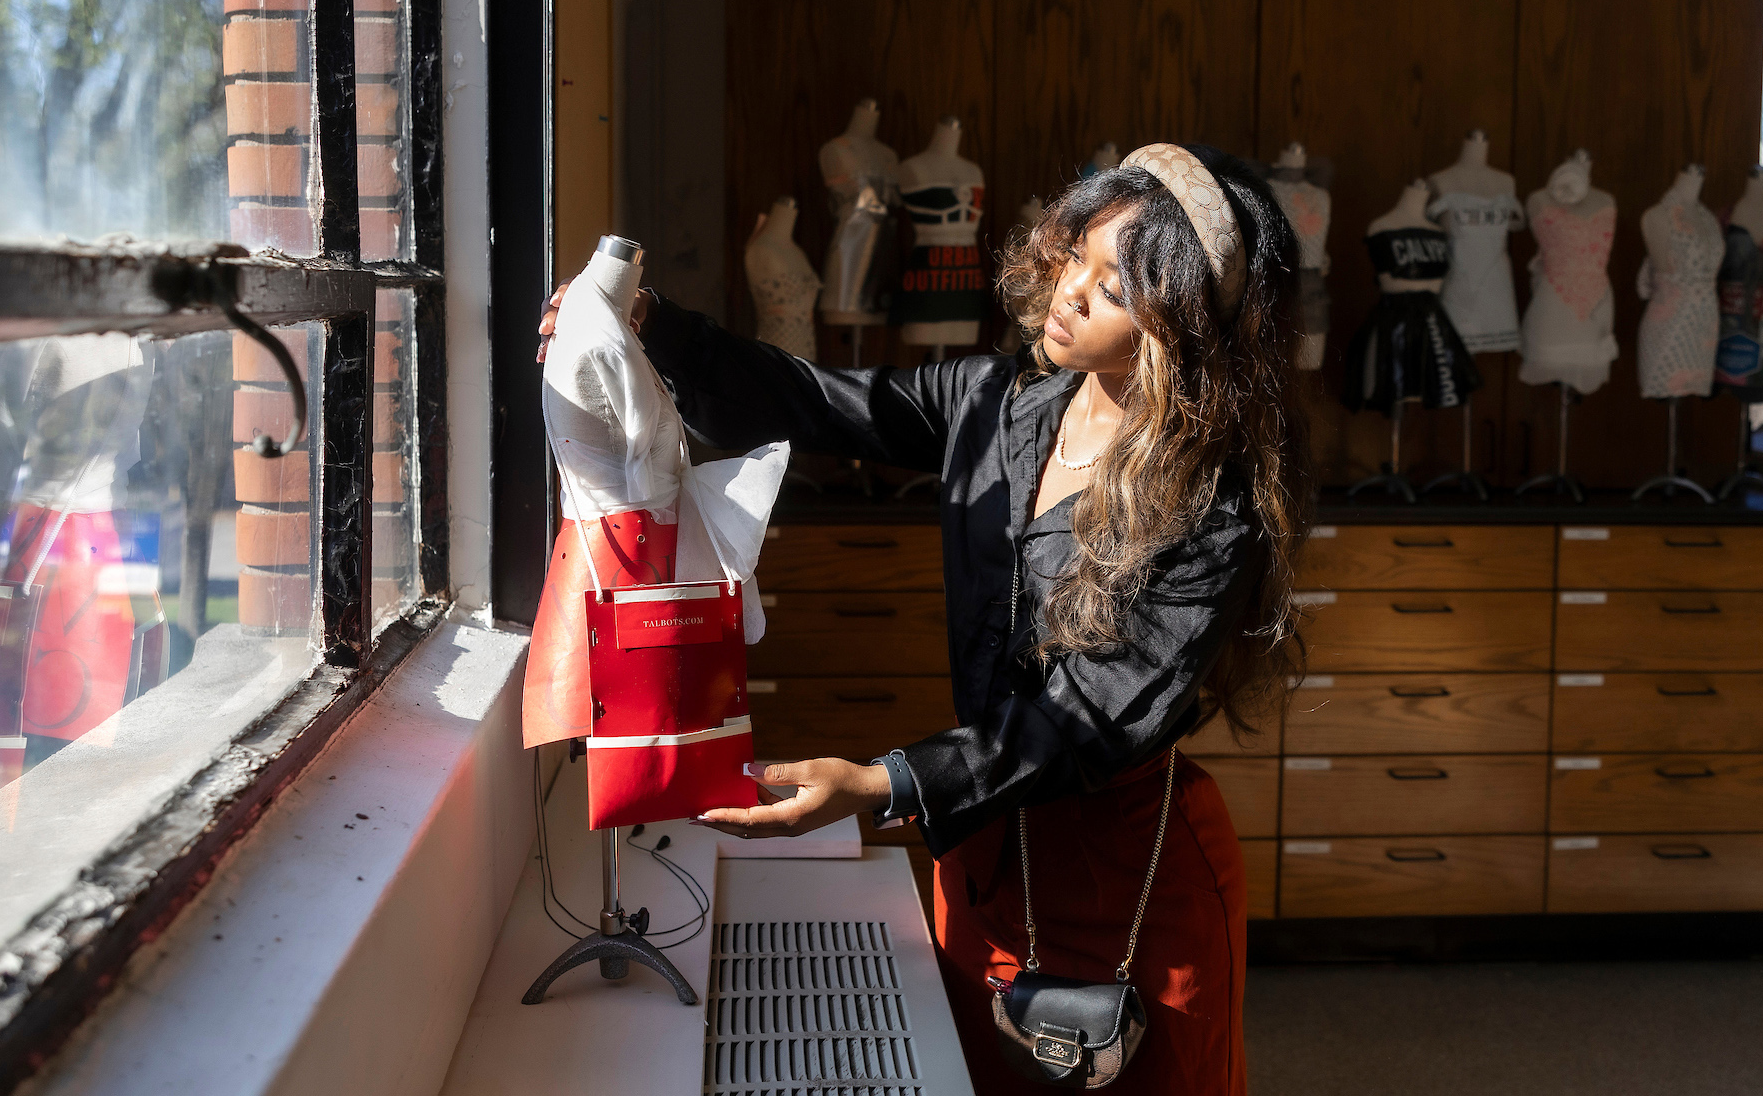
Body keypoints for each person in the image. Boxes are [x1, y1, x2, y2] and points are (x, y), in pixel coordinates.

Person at [537, 142, 1310, 1095]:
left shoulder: (1209, 506)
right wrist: (648, 327)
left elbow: (1084, 722)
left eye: (1113, 290)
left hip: (1126, 880)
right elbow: (818, 403)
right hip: (981, 864)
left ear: (1177, 327)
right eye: (1077, 256)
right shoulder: (1002, 403)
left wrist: (881, 783)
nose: (1070, 292)